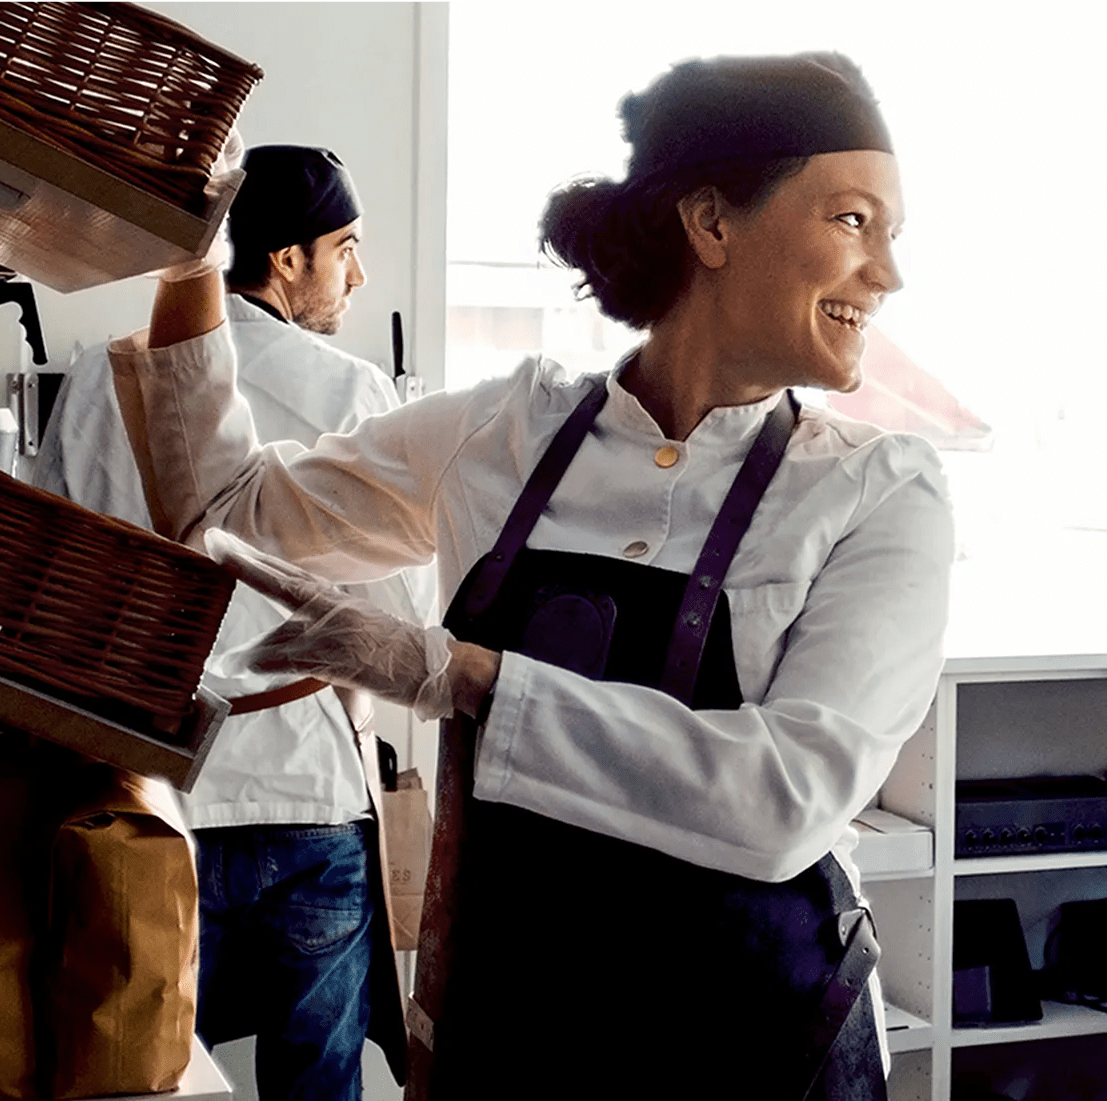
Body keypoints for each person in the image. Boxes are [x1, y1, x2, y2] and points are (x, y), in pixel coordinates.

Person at [115, 53, 952, 1099]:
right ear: (712, 225)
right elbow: (225, 509)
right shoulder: (504, 431)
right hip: (517, 1039)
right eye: (850, 222)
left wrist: (458, 676)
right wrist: (186, 260)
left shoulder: (876, 492)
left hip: (758, 1050)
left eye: (889, 234)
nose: (886, 274)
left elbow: (779, 800)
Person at [34, 145, 435, 1101]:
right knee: (319, 1087)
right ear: (286, 260)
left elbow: (60, 572)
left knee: (159, 1076)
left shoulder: (105, 374)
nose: (359, 274)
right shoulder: (357, 394)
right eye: (346, 247)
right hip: (313, 799)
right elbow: (411, 614)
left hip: (159, 791)